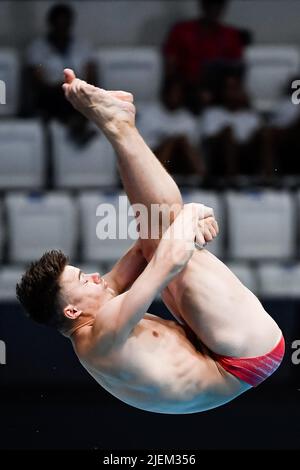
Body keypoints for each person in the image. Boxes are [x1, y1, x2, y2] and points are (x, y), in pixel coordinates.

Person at [16, 70, 284, 415]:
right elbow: (167, 263)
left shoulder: (91, 318)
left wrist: (179, 225)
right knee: (169, 234)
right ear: (71, 310)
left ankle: (119, 125)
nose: (97, 276)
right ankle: (119, 126)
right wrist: (193, 213)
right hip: (244, 356)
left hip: (217, 353)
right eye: (83, 280)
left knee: (158, 234)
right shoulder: (103, 331)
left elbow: (149, 246)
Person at [25, 3, 97, 146]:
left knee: (81, 95)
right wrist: (62, 87)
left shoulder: (83, 46)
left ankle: (76, 122)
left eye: (65, 24)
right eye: (59, 24)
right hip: (50, 94)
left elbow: (91, 74)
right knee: (60, 95)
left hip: (79, 92)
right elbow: (38, 80)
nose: (62, 29)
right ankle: (77, 124)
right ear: (51, 24)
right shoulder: (37, 48)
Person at [163, 0, 246, 113]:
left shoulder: (230, 35)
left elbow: (236, 69)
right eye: (210, 6)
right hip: (188, 89)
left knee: (241, 99)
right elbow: (170, 66)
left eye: (218, 6)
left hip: (219, 92)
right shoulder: (182, 31)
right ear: (203, 6)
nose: (214, 10)